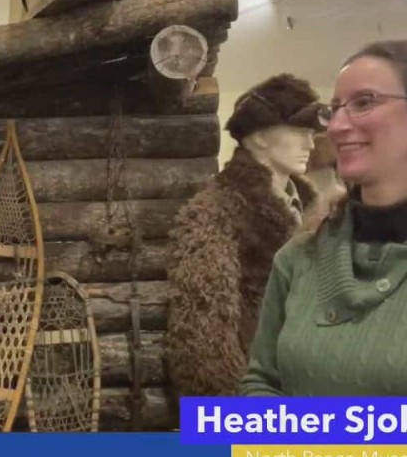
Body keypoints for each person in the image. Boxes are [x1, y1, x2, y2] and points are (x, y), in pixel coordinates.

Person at [241, 40, 407, 396]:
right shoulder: (299, 256)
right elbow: (262, 381)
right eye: (334, 110)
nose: (334, 128)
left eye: (364, 102)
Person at [166, 74, 322, 397]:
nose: (310, 143)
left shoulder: (318, 213)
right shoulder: (218, 211)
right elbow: (203, 338)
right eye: (300, 131)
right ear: (260, 137)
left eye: (312, 133)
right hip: (260, 400)